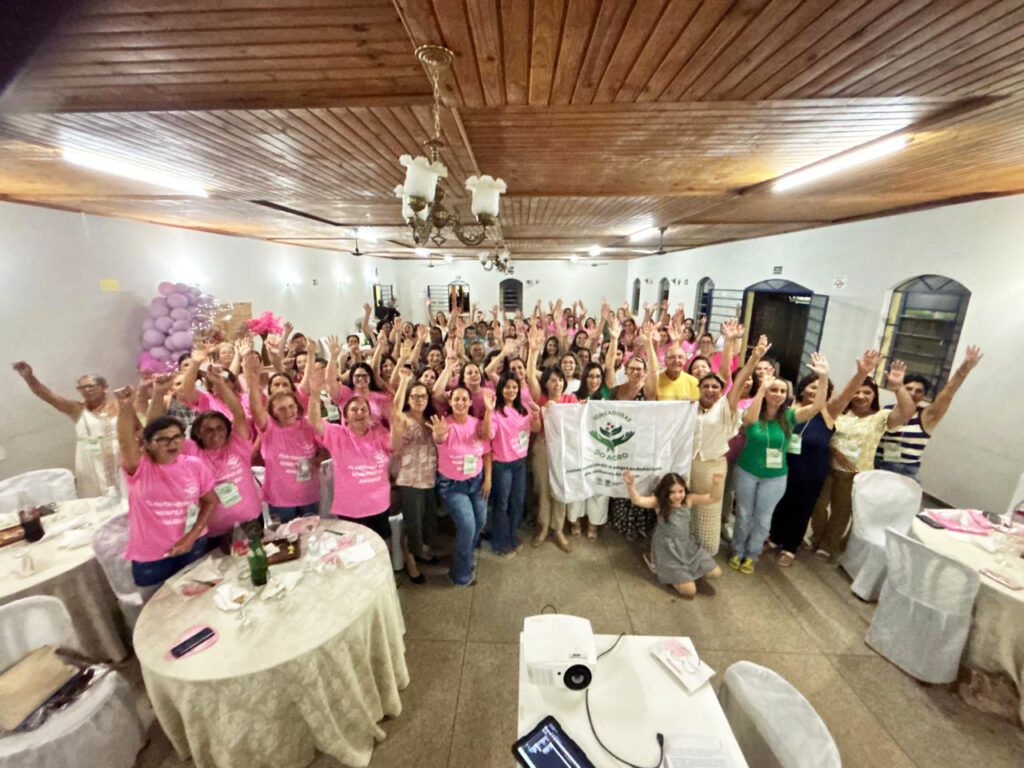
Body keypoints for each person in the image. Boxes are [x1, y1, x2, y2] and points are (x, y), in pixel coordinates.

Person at [768, 350, 879, 567]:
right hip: (783, 466)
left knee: (802, 508)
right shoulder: (788, 408)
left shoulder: (828, 412)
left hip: (812, 471)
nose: (815, 390)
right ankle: (774, 537)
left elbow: (846, 395)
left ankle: (790, 547)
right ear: (802, 389)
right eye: (812, 386)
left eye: (821, 388)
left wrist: (861, 374)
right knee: (781, 503)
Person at [730, 354, 830, 574]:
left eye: (782, 391)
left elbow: (817, 406)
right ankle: (738, 550)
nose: (777, 394)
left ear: (788, 395)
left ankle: (752, 554)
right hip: (747, 471)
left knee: (763, 518)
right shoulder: (754, 411)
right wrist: (761, 390)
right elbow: (749, 421)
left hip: (775, 477)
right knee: (744, 515)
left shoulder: (790, 416)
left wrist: (823, 377)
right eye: (773, 390)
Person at [809, 360, 916, 560]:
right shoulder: (839, 413)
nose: (860, 396)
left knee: (842, 511)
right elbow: (823, 433)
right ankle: (818, 536)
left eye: (867, 392)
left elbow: (907, 412)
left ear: (874, 395)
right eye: (857, 392)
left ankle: (829, 544)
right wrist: (834, 451)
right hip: (826, 467)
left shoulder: (881, 417)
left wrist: (898, 387)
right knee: (817, 506)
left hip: (856, 473)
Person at [114, 387, 218, 589]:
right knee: (160, 606)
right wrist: (125, 407)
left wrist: (192, 537)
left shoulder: (194, 465)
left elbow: (211, 501)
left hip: (193, 545)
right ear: (148, 444)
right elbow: (125, 442)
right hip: (153, 557)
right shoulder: (140, 468)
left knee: (200, 597)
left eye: (177, 436)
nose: (172, 443)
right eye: (163, 439)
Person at [689, 330, 764, 556]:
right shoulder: (690, 407)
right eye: (706, 386)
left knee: (709, 514)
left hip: (713, 468)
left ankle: (706, 555)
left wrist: (753, 359)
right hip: (689, 465)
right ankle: (687, 552)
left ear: (722, 391)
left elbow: (737, 382)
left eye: (715, 387)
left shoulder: (725, 408)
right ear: (699, 388)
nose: (710, 390)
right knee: (688, 510)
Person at [176, 368, 264, 545]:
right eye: (208, 430)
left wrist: (220, 384)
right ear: (198, 433)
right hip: (216, 532)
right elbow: (156, 431)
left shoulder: (237, 445)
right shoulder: (192, 451)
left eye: (220, 428)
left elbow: (238, 413)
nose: (215, 433)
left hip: (251, 520)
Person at [306, 366, 394, 543]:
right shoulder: (338, 435)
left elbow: (396, 444)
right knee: (352, 549)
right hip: (351, 508)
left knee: (383, 545)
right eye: (354, 410)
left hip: (379, 505)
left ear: (370, 415)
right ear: (345, 417)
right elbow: (314, 421)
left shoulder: (381, 434)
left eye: (363, 409)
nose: (359, 412)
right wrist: (314, 394)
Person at [12, 361, 120, 497]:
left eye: (91, 386)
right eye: (82, 388)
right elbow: (48, 396)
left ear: (104, 387)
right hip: (89, 461)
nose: (87, 390)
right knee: (95, 498)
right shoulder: (77, 409)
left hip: (118, 457)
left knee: (126, 495)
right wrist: (29, 377)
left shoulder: (120, 405)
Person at [874, 345, 982, 479]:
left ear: (924, 396)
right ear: (900, 388)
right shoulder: (886, 410)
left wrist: (963, 370)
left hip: (904, 472)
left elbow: (947, 394)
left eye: (918, 391)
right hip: (876, 465)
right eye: (908, 388)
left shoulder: (927, 416)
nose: (913, 393)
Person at [622, 469, 724, 598]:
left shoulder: (689, 499)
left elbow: (714, 498)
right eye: (672, 492)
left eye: (680, 491)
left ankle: (686, 574)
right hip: (667, 548)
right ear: (665, 493)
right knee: (690, 591)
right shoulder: (659, 502)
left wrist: (717, 483)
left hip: (686, 545)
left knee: (716, 573)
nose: (677, 496)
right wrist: (630, 485)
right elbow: (638, 500)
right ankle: (661, 565)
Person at [430, 386, 495, 586]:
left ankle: (464, 556)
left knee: (480, 522)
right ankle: (460, 573)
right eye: (456, 399)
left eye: (464, 399)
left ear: (470, 402)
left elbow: (486, 452)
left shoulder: (477, 424)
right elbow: (439, 438)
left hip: (477, 482)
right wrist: (438, 435)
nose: (460, 402)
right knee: (467, 526)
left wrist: (488, 479)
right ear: (450, 402)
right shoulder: (444, 425)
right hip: (452, 487)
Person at [244, 352, 320, 522]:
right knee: (284, 536)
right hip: (281, 499)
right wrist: (253, 377)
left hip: (309, 495)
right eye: (282, 409)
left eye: (291, 406)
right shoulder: (269, 427)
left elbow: (324, 447)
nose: (288, 412)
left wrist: (318, 458)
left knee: (313, 533)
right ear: (273, 412)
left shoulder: (308, 424)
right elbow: (256, 410)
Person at [525, 328, 579, 552]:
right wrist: (533, 351)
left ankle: (558, 528)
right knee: (544, 487)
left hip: (565, 450)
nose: (557, 384)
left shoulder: (571, 399)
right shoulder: (541, 399)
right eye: (552, 381)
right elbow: (530, 376)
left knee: (562, 487)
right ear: (546, 383)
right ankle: (544, 526)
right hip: (543, 447)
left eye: (560, 381)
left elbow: (577, 424)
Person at [391, 369, 440, 583]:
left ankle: (421, 553)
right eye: (415, 396)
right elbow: (395, 410)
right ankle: (411, 563)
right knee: (413, 525)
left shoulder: (431, 419)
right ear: (408, 399)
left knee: (427, 522)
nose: (419, 400)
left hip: (429, 478)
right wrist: (403, 382)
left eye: (423, 396)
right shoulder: (404, 419)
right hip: (410, 479)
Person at [489, 373, 541, 557]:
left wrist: (536, 416)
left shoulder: (523, 409)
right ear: (500, 389)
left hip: (519, 463)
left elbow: (535, 428)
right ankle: (500, 543)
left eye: (514, 387)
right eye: (507, 387)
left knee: (517, 502)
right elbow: (488, 435)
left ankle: (511, 535)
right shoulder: (495, 412)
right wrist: (487, 413)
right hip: (502, 464)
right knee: (502, 504)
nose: (511, 390)